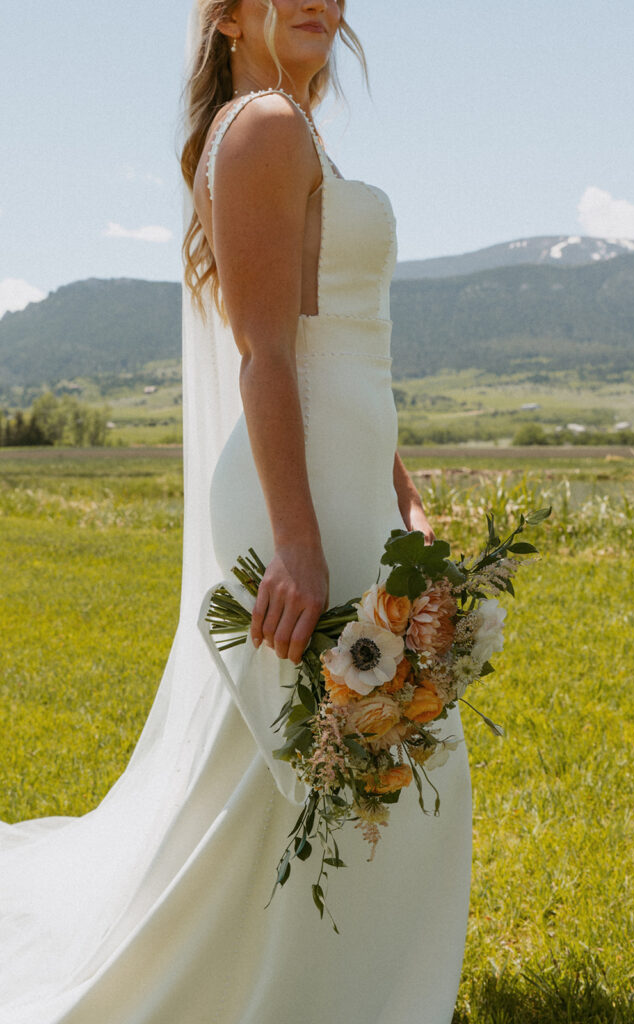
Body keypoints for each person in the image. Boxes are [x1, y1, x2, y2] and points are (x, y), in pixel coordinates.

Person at [0, 2, 471, 1021]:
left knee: (298, 779)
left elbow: (342, 350)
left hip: (345, 482)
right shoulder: (262, 128)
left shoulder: (291, 133)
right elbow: (265, 354)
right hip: (294, 497)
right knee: (371, 760)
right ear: (224, 18)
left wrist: (405, 498)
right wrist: (296, 544)